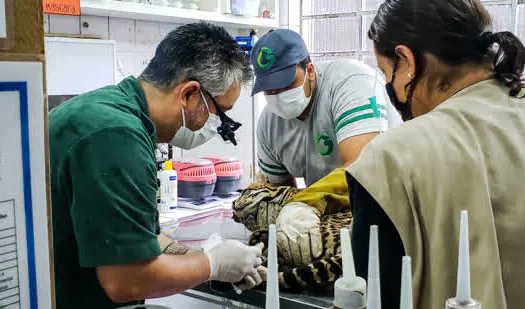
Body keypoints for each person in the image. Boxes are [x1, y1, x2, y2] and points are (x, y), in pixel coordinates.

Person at [49, 22, 263, 308]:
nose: (218, 127)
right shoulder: (115, 135)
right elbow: (126, 279)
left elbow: (138, 237)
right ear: (189, 94)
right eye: (220, 114)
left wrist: (198, 258)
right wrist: (211, 265)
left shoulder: (113, 113)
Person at [345, 0, 525, 308]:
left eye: (387, 72)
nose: (390, 86)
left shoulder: (389, 160)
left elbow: (372, 295)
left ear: (406, 59)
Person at [250, 29, 402, 266]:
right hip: (328, 215)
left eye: (286, 84)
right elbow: (279, 194)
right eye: (270, 90)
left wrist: (304, 203)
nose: (278, 95)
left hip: (386, 212)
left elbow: (362, 170)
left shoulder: (351, 82)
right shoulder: (269, 123)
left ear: (309, 70)